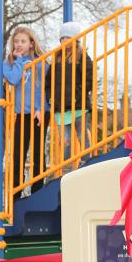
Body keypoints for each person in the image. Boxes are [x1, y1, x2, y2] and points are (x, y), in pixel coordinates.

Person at [44, 21, 94, 172]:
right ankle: (66, 167)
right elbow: (49, 82)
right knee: (65, 139)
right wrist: (50, 98)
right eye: (62, 39)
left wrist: (78, 95)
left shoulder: (82, 56)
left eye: (68, 38)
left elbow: (89, 79)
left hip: (78, 105)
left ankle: (86, 161)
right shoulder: (56, 58)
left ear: (76, 40)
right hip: (61, 107)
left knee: (81, 134)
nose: (65, 41)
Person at [3, 26, 47, 195]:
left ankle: (37, 193)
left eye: (23, 41)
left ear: (31, 43)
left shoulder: (40, 61)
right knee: (18, 154)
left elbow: (44, 88)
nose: (19, 44)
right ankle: (16, 194)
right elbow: (14, 79)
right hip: (21, 113)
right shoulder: (9, 62)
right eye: (16, 41)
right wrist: (19, 60)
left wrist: (40, 108)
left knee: (37, 153)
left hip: (40, 112)